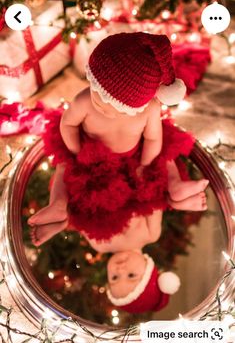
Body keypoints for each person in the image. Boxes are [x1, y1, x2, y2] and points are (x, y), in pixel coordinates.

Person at [28, 32, 209, 245]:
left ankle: (176, 187)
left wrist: (145, 164)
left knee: (164, 159)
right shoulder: (85, 100)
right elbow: (67, 124)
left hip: (137, 155)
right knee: (64, 167)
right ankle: (58, 206)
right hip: (93, 155)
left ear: (139, 104)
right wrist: (77, 151)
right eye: (97, 92)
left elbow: (153, 140)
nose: (101, 106)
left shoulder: (150, 109)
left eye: (114, 106)